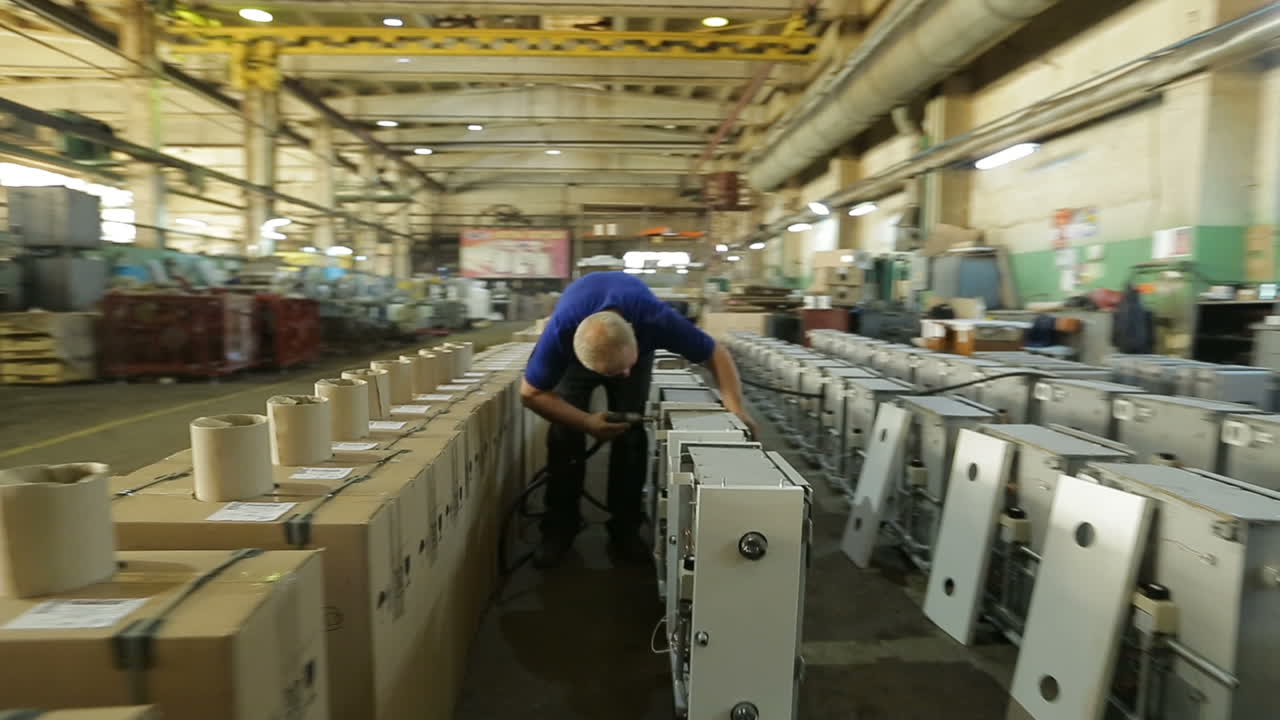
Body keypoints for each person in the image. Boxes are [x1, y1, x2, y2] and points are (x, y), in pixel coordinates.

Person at [521, 271, 757, 568]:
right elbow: (530, 394)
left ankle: (625, 530)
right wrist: (584, 422)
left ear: (635, 333)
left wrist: (735, 407)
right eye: (615, 373)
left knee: (630, 435)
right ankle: (558, 529)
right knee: (565, 433)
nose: (625, 377)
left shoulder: (656, 320)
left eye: (627, 367)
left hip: (632, 345)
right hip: (581, 353)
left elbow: (716, 354)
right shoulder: (560, 332)